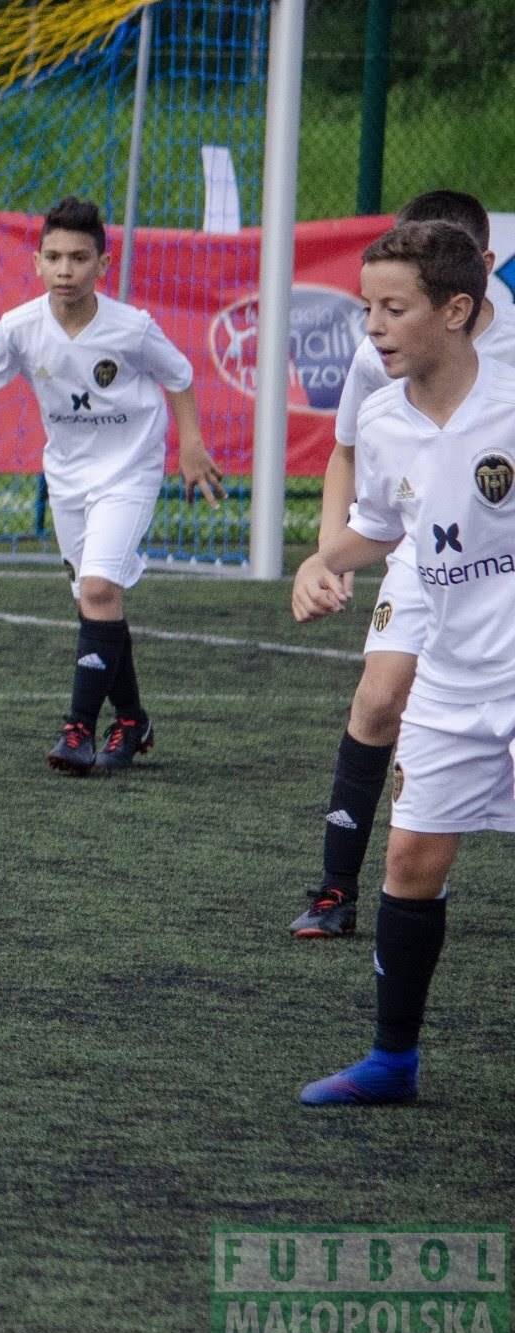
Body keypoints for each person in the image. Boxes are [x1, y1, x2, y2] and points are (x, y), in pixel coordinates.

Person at [289, 220, 511, 1107]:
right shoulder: (382, 418)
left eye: (394, 308)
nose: (373, 327)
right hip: (451, 678)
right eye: (366, 308)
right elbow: (382, 527)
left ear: (455, 311)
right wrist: (322, 562)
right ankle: (392, 1062)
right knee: (411, 862)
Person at [0, 196, 223, 774]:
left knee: (97, 589)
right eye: (53, 257)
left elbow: (179, 376)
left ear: (103, 263)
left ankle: (77, 731)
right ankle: (133, 720)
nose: (65, 269)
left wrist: (191, 446)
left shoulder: (131, 328)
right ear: (37, 263)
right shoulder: (20, 327)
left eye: (78, 258)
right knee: (96, 602)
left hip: (130, 472)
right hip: (68, 478)